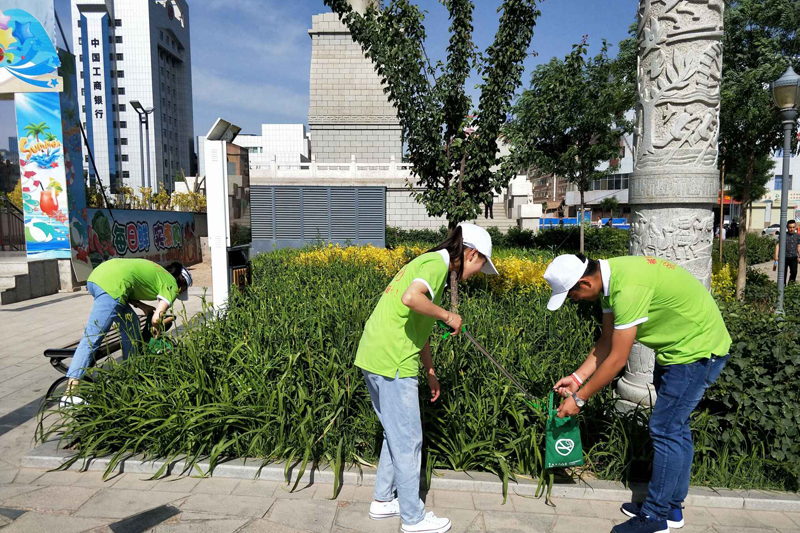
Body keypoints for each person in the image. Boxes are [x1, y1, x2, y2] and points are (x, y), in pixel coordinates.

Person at [544, 254, 731, 533]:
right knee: (675, 429)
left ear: (585, 282)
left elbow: (618, 359)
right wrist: (576, 379)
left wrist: (579, 399)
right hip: (678, 351)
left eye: (572, 295)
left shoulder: (627, 289)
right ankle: (671, 508)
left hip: (696, 353)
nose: (574, 300)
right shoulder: (610, 281)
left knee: (665, 430)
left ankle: (655, 517)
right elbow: (607, 342)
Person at [356, 223, 498, 533]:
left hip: (375, 354)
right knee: (408, 440)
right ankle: (413, 518)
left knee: (395, 433)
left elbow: (419, 325)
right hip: (394, 360)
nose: (478, 273)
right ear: (471, 254)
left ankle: (383, 501)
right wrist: (448, 316)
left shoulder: (427, 262)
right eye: (481, 265)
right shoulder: (436, 264)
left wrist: (430, 372)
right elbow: (410, 298)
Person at [61, 259, 192, 405]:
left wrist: (142, 306)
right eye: (182, 291)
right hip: (112, 285)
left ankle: (131, 374)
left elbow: (130, 279)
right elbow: (157, 318)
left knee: (131, 324)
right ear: (182, 284)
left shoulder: (160, 273)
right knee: (93, 337)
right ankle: (70, 395)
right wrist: (156, 328)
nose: (178, 294)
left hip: (97, 277)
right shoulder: (172, 284)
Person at [773, 219, 800, 284]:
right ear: (787, 227)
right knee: (783, 273)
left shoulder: (797, 236)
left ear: (795, 227)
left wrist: (799, 256)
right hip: (783, 258)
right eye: (790, 227)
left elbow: (798, 246)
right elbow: (778, 245)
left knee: (794, 272)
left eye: (793, 227)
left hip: (793, 257)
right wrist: (776, 256)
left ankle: (791, 285)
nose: (792, 229)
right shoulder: (783, 235)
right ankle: (782, 286)